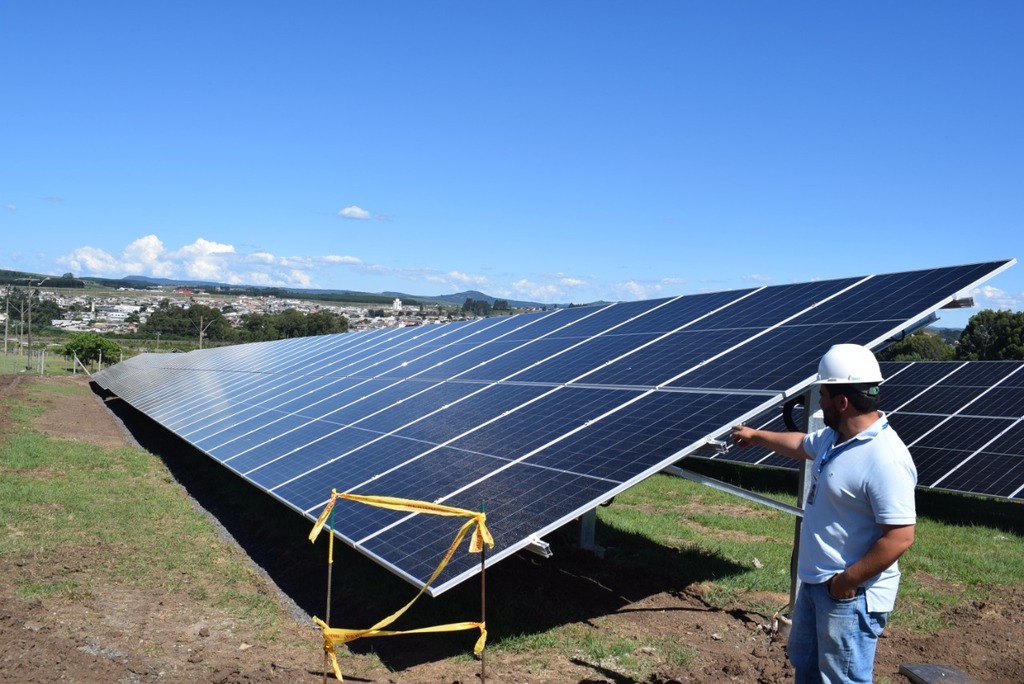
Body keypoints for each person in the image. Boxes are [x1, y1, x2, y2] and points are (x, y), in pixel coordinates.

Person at [731, 343, 916, 684]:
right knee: (808, 669)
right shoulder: (837, 438)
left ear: (842, 402)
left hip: (850, 595)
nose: (820, 402)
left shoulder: (885, 458)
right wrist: (756, 436)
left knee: (842, 679)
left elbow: (900, 536)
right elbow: (802, 444)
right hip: (818, 584)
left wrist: (847, 582)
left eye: (824, 394)